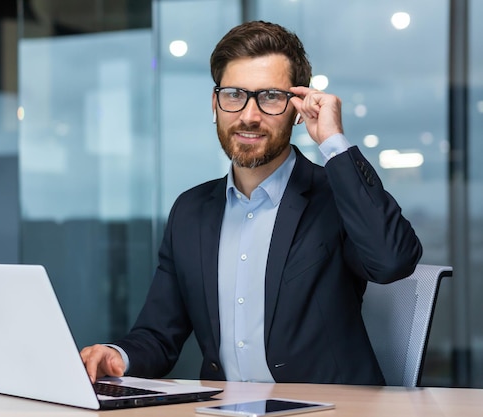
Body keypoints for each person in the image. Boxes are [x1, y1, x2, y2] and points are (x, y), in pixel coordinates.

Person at [80, 20, 423, 385]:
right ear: (215, 103)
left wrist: (333, 143)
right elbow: (158, 334)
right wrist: (116, 355)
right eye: (234, 95)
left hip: (331, 410)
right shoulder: (190, 211)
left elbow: (392, 261)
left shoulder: (335, 196)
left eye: (270, 97)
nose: (248, 115)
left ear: (297, 107)